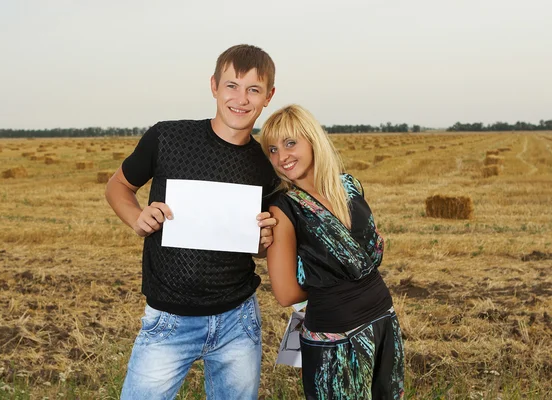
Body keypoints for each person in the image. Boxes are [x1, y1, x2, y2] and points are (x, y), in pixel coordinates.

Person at [105, 44, 279, 400]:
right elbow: (118, 186)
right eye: (232, 85)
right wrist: (137, 217)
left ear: (269, 96)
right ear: (214, 86)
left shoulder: (267, 165)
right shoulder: (167, 137)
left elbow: (261, 249)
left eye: (253, 89)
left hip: (237, 320)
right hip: (169, 319)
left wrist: (264, 243)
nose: (241, 99)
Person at [259, 105, 405, 399]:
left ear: (313, 139)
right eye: (272, 149)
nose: (281, 157)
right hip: (337, 338)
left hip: (383, 322)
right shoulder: (283, 208)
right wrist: (333, 287)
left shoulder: (349, 186)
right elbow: (285, 294)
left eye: (290, 143)